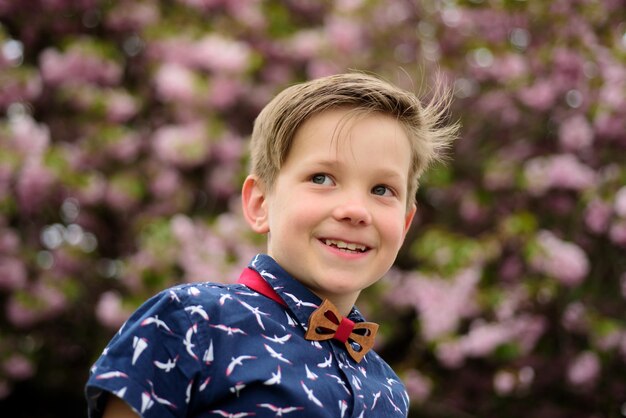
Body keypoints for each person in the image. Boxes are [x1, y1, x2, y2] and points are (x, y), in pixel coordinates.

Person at [85, 72, 458, 417]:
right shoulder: (190, 322)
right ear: (260, 203)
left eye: (382, 190)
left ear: (405, 223)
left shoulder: (390, 392)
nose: (355, 210)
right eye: (322, 178)